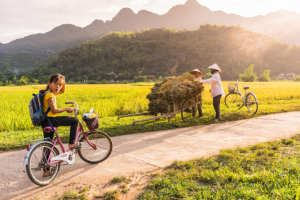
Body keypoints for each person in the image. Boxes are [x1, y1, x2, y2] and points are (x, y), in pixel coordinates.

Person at [41, 74, 81, 149]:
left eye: (60, 85)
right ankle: (72, 143)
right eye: (55, 83)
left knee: (48, 144)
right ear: (49, 83)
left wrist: (64, 81)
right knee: (74, 120)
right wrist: (66, 109)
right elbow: (54, 110)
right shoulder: (49, 95)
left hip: (46, 121)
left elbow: (62, 91)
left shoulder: (48, 93)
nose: (58, 86)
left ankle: (45, 160)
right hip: (52, 120)